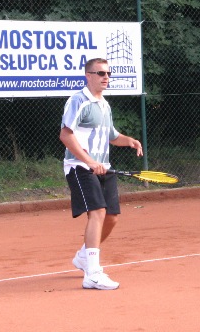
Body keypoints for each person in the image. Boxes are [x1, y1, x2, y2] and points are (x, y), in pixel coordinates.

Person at [59, 58, 143, 290]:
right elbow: (66, 135)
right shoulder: (78, 101)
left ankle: (84, 257)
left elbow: (112, 136)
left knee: (111, 217)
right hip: (79, 166)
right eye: (101, 73)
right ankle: (93, 274)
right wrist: (89, 161)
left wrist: (129, 141)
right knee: (97, 212)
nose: (106, 77)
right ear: (88, 75)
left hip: (104, 167)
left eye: (108, 74)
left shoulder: (104, 105)